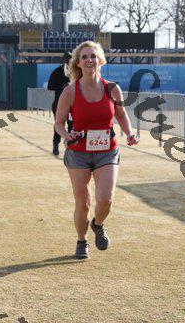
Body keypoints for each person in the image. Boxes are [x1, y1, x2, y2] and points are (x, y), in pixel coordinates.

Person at [55, 41, 139, 260]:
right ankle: (81, 241)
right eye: (84, 57)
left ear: (100, 60)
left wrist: (129, 133)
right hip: (78, 153)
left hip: (107, 151)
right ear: (78, 63)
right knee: (83, 203)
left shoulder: (112, 89)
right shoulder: (70, 92)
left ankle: (98, 224)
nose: (89, 60)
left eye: (93, 56)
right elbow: (59, 123)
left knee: (105, 199)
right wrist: (66, 135)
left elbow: (121, 115)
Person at [48, 51, 73, 156]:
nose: (68, 60)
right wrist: (62, 87)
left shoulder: (77, 71)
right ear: (63, 59)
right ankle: (55, 145)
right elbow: (50, 87)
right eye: (66, 58)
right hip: (59, 104)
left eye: (70, 58)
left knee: (72, 126)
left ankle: (71, 147)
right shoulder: (57, 71)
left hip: (73, 106)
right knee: (59, 125)